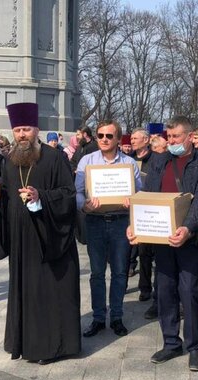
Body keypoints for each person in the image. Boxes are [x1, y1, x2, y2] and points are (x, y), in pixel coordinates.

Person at [0, 102, 81, 364]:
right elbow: (7, 187)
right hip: (21, 240)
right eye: (17, 130)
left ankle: (51, 347)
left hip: (48, 237)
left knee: (47, 291)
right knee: (25, 290)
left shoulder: (55, 158)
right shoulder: (10, 160)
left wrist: (41, 197)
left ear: (36, 130)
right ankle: (23, 341)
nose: (22, 134)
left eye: (26, 129)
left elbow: (68, 195)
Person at [127, 115, 198, 372]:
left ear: (190, 137)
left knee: (189, 291)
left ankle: (194, 347)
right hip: (162, 238)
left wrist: (187, 228)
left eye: (176, 137)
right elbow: (147, 195)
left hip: (192, 239)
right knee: (164, 290)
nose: (171, 141)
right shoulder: (159, 161)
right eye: (169, 137)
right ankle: (170, 342)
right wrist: (136, 223)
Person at [75, 120, 142, 338]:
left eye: (109, 136)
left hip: (120, 221)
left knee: (120, 272)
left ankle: (116, 317)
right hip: (94, 220)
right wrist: (83, 205)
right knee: (96, 273)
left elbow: (140, 193)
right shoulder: (87, 160)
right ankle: (97, 318)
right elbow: (77, 192)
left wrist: (132, 200)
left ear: (118, 138)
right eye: (100, 135)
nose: (104, 139)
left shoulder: (129, 163)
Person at [129, 128, 156, 309]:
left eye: (135, 138)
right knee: (136, 250)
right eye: (131, 138)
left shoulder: (156, 160)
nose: (132, 141)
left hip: (150, 208)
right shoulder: (128, 159)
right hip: (130, 208)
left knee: (147, 252)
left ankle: (147, 289)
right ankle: (143, 286)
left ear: (146, 140)